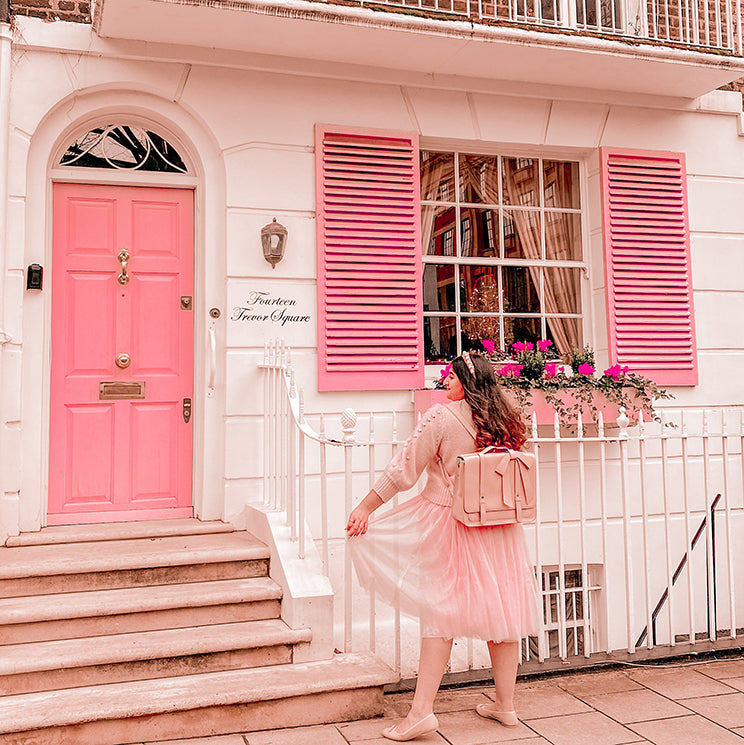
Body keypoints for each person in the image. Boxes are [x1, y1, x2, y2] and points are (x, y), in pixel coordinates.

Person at [346, 350, 539, 742]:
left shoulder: (440, 417)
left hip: (451, 523)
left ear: (466, 381)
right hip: (499, 526)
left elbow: (403, 470)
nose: (443, 383)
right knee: (500, 611)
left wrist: (366, 506)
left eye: (449, 378)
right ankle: (506, 706)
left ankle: (421, 713)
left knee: (440, 612)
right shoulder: (508, 416)